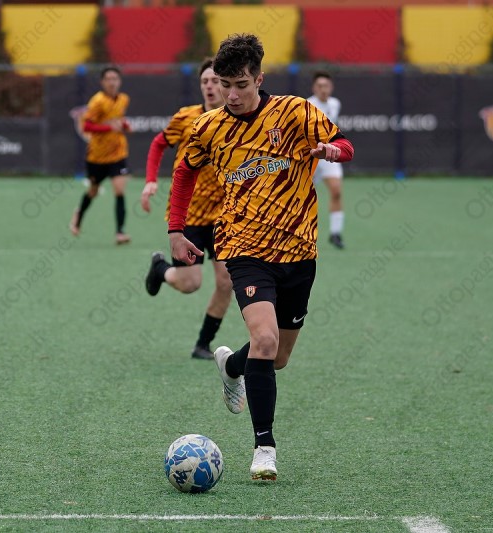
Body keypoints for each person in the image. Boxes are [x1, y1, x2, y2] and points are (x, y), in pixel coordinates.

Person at [167, 34, 354, 481]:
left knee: (277, 356)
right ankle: (264, 449)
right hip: (243, 248)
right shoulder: (209, 127)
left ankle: (231, 365)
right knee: (265, 342)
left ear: (259, 79)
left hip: (299, 250)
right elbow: (184, 172)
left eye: (241, 85)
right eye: (224, 85)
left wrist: (333, 151)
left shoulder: (295, 112)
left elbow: (344, 144)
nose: (231, 95)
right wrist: (176, 230)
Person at [141, 59, 232, 361]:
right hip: (189, 213)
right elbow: (158, 144)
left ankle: (202, 344)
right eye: (205, 81)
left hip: (223, 216)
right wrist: (151, 180)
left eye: (215, 80)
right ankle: (160, 269)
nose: (210, 86)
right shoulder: (187, 117)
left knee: (227, 282)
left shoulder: (237, 122)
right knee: (190, 284)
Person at [70, 66, 132, 245]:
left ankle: (120, 232)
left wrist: (125, 126)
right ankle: (78, 215)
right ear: (102, 82)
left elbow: (119, 119)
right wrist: (108, 128)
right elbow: (86, 126)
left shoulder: (123, 99)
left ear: (119, 81)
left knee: (119, 190)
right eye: (108, 79)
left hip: (118, 153)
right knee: (93, 191)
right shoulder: (97, 102)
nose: (112, 82)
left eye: (115, 79)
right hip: (97, 156)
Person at [307, 71, 346, 249]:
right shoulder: (307, 105)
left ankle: (335, 233)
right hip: (312, 155)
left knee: (336, 191)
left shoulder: (335, 103)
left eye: (326, 86)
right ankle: (302, 231)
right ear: (314, 88)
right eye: (320, 86)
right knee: (303, 196)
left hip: (329, 155)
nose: (323, 89)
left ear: (331, 87)